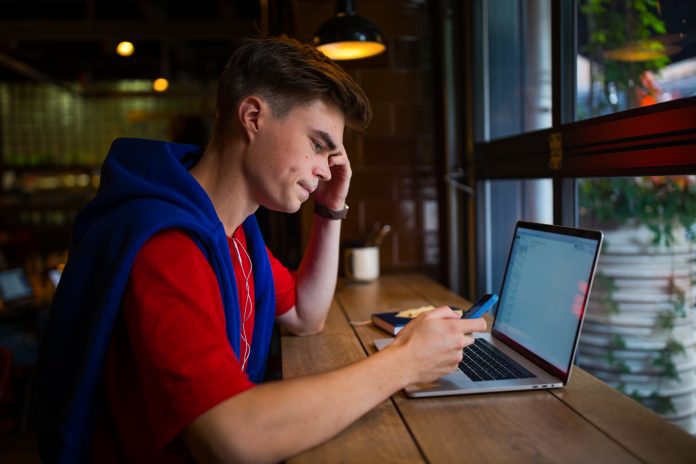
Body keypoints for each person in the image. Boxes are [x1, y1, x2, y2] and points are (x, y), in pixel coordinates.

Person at [36, 35, 486, 463]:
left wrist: (330, 211)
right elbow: (232, 437)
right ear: (252, 117)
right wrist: (404, 362)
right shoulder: (168, 244)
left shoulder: (234, 232)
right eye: (317, 145)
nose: (325, 170)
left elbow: (306, 317)